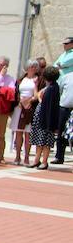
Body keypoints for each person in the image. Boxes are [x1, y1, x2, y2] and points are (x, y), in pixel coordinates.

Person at [29, 66, 61, 170]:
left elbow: (47, 104)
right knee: (39, 141)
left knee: (46, 141)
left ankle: (44, 161)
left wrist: (39, 97)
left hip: (46, 119)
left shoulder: (52, 88)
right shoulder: (50, 86)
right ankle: (37, 160)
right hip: (42, 117)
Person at [10, 60, 39, 165]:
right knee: (18, 132)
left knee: (28, 133)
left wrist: (29, 100)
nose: (33, 68)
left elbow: (38, 94)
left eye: (34, 67)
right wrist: (19, 101)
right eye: (31, 66)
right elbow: (16, 91)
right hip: (19, 107)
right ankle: (17, 156)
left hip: (30, 107)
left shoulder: (38, 80)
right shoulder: (21, 79)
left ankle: (26, 157)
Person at [52, 36, 73, 164]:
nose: (64, 45)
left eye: (67, 43)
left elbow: (62, 64)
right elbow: (56, 65)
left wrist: (61, 66)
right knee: (60, 131)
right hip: (65, 106)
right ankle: (59, 156)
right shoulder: (66, 77)